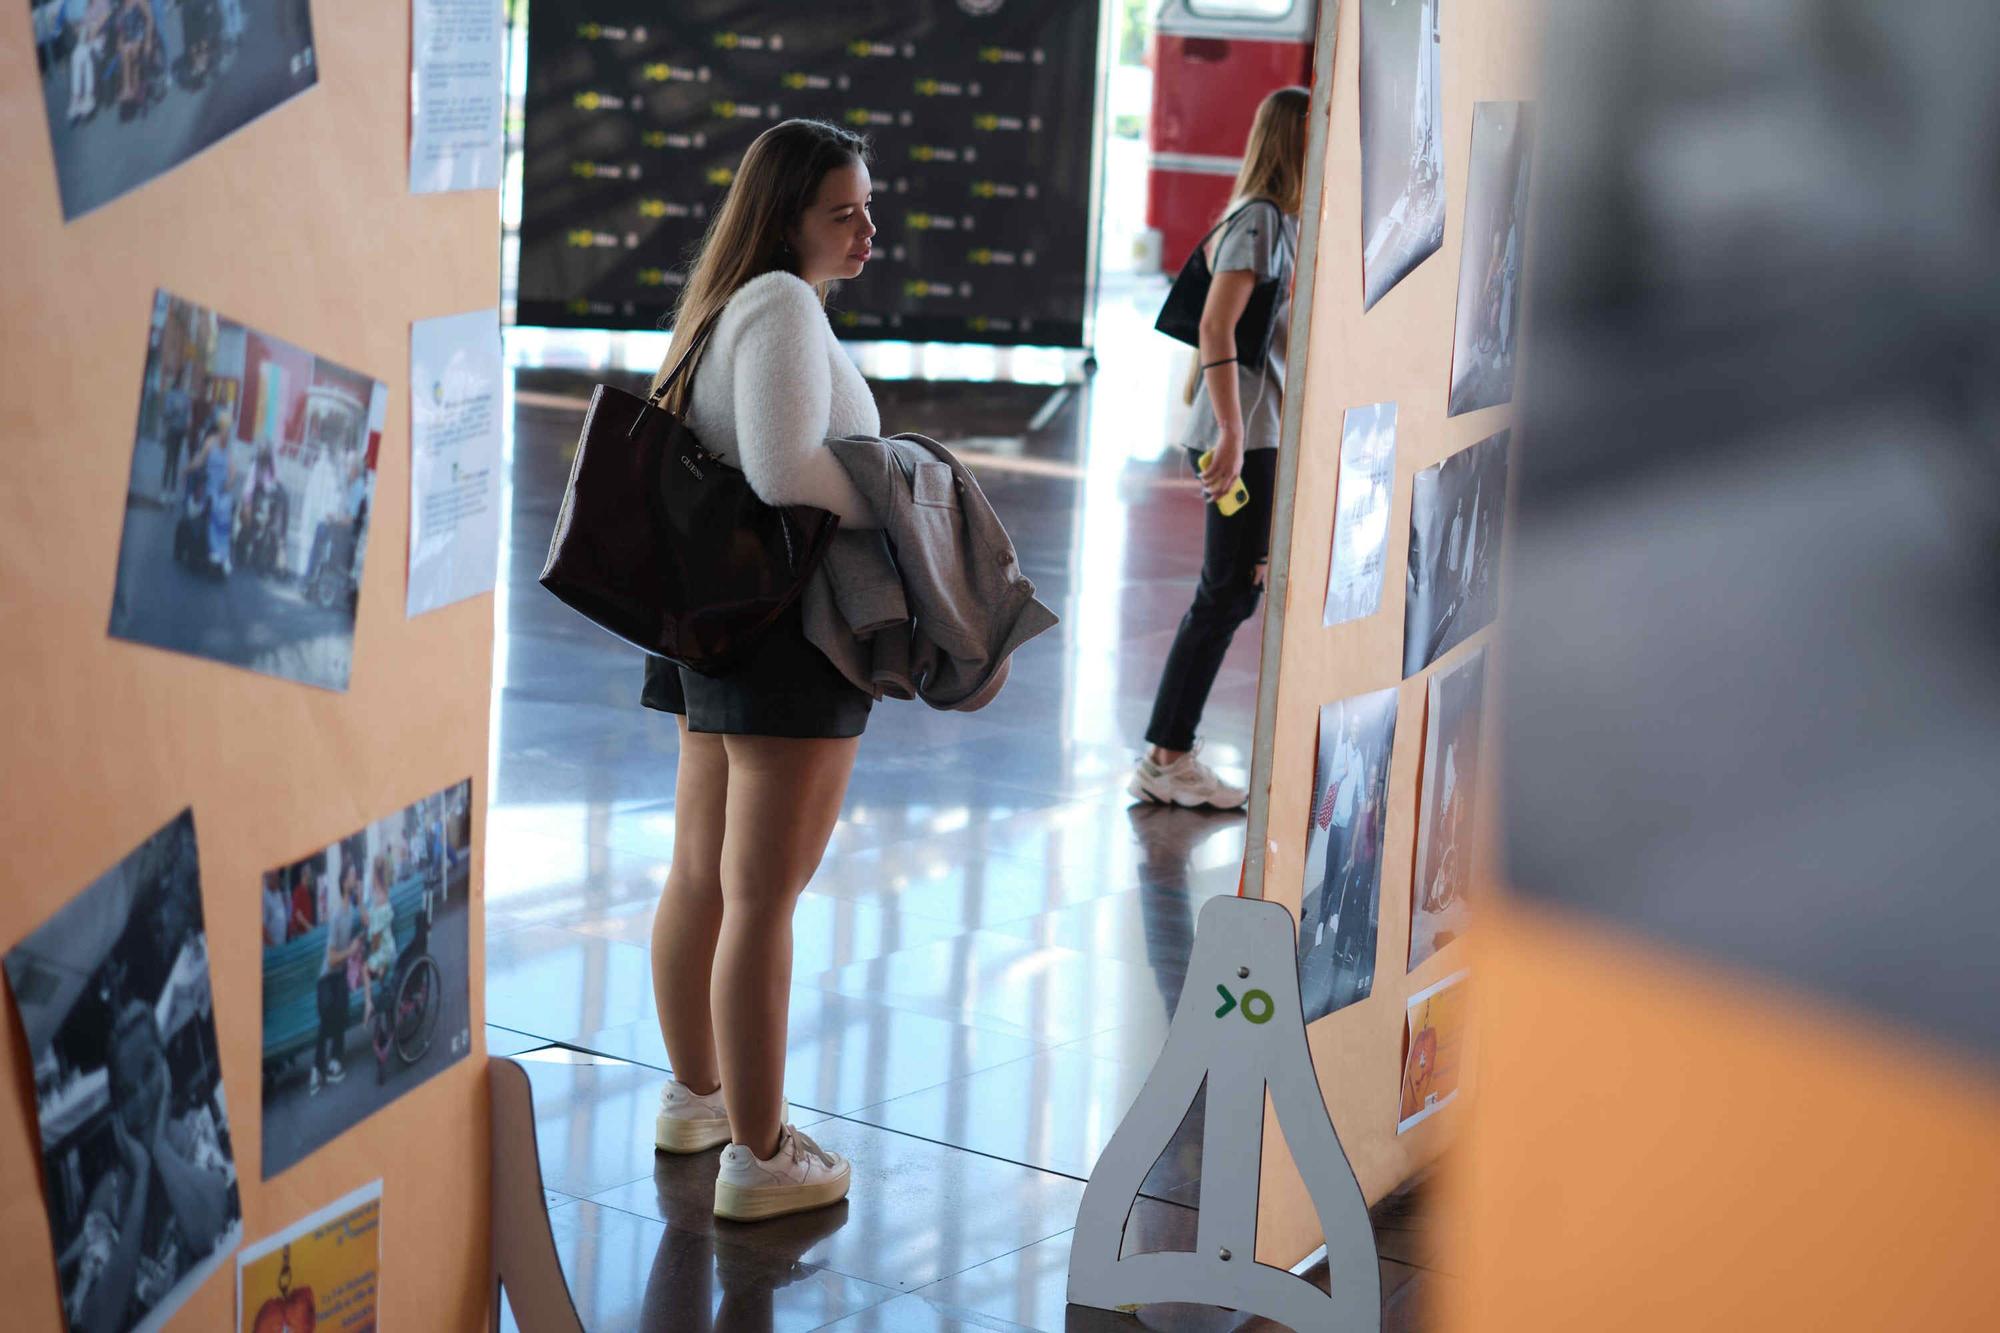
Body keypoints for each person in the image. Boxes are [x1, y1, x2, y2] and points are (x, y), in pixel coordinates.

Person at [640, 118, 883, 1223]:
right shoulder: (782, 304)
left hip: (717, 623)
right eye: (843, 211)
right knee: (762, 898)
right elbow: (789, 470)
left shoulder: (728, 306)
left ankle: (699, 1101)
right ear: (785, 217)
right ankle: (761, 1151)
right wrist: (898, 494)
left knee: (703, 874)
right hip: (789, 637)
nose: (867, 230)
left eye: (866, 207)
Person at [1130, 87, 1310, 810]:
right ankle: (1168, 755)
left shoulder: (1282, 223)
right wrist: (1234, 432)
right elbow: (1217, 328)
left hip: (1256, 427)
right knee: (1225, 592)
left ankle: (1171, 751)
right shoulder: (1259, 221)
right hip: (1240, 430)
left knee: (1234, 590)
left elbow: (1271, 334)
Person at [310, 854, 362, 1094]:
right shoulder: (337, 914)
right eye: (353, 875)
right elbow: (331, 957)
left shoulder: (351, 909)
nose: (356, 878)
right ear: (344, 882)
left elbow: (366, 922)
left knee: (341, 1005)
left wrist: (361, 899)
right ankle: (319, 1066)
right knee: (329, 1009)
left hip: (340, 976)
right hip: (326, 976)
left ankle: (333, 1061)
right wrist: (350, 951)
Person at [361, 853, 395, 1037]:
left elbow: (375, 937)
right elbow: (370, 921)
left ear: (375, 876)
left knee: (364, 968)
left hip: (384, 949)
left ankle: (368, 1004)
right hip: (388, 946)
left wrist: (370, 953)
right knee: (377, 969)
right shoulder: (382, 894)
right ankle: (382, 969)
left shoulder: (379, 898)